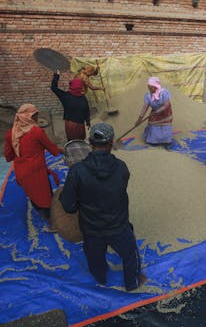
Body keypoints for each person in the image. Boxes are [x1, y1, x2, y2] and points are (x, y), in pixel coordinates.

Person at [59, 122, 146, 291]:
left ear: (90, 143)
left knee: (95, 258)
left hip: (91, 229)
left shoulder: (77, 171)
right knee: (130, 255)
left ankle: (100, 278)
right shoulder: (122, 167)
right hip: (118, 226)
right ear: (111, 143)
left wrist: (70, 195)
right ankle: (132, 283)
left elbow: (69, 207)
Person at [4, 104, 63, 220]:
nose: (37, 118)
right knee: (45, 197)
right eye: (35, 116)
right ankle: (51, 222)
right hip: (36, 172)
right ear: (29, 117)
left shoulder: (11, 134)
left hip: (21, 173)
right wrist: (63, 151)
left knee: (33, 195)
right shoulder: (36, 132)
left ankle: (41, 214)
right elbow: (52, 149)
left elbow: (8, 156)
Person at [51, 69, 90, 141]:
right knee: (80, 140)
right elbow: (87, 110)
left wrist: (56, 75)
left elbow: (54, 88)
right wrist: (87, 121)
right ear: (80, 87)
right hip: (80, 124)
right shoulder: (83, 97)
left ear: (71, 86)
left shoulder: (65, 96)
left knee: (72, 141)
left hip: (70, 124)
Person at [135, 76, 173, 145]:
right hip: (155, 112)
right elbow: (145, 107)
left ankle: (166, 141)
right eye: (148, 86)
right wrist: (140, 118)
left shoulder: (164, 93)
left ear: (155, 86)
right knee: (152, 123)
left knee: (165, 126)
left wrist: (157, 112)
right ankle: (154, 140)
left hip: (165, 112)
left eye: (150, 87)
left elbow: (166, 105)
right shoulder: (148, 95)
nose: (149, 88)